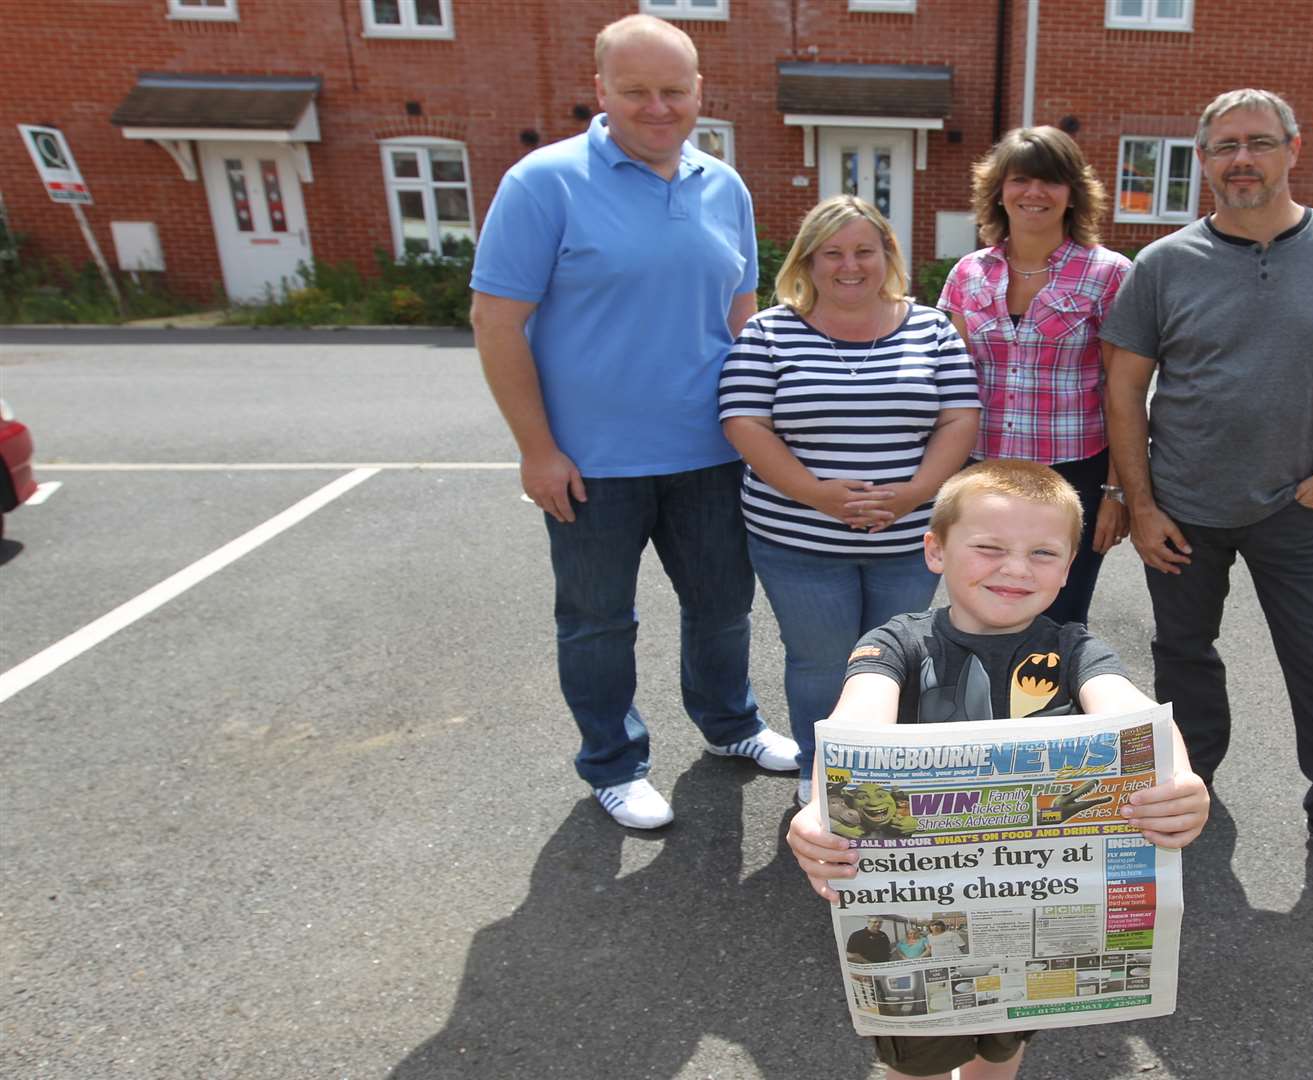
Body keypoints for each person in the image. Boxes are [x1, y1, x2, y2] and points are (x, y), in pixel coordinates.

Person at [469, 14, 799, 831]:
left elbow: (741, 316)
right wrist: (537, 450)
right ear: (600, 92)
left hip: (711, 454)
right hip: (591, 462)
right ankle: (614, 764)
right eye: (636, 91)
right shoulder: (543, 182)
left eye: (673, 91)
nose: (658, 107)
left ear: (699, 93)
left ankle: (731, 725)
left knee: (723, 605)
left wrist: (760, 428)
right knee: (598, 622)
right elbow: (495, 321)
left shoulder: (725, 187)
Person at [786, 460, 1211, 1080]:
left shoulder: (1075, 648)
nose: (1016, 569)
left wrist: (1177, 778)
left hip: (1033, 922)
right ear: (935, 550)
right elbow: (855, 724)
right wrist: (821, 810)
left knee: (1006, 1042)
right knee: (920, 1058)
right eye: (989, 547)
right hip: (918, 923)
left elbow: (1133, 714)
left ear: (1068, 570)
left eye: (1043, 553)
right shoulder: (896, 644)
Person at [1102, 88, 1313, 884]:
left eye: (1258, 142)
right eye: (1224, 147)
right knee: (1183, 656)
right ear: (1204, 160)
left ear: (1293, 148)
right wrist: (1139, 505)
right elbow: (1122, 390)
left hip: (1297, 510)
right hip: (1182, 511)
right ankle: (1190, 785)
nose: (1241, 160)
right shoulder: (1165, 264)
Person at [720, 196, 980, 806]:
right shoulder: (769, 331)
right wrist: (819, 495)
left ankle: (882, 772)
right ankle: (823, 773)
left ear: (887, 254)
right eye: (832, 253)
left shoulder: (931, 328)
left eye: (865, 250)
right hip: (798, 541)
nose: (849, 265)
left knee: (898, 658)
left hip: (907, 538)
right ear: (807, 262)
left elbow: (959, 417)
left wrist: (917, 492)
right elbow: (743, 421)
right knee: (819, 660)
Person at [939, 127, 1132, 626]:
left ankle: (1054, 706)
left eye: (1050, 181)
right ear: (999, 190)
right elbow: (950, 384)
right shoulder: (968, 273)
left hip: (1072, 477)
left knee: (1059, 616)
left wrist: (1116, 494)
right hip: (982, 475)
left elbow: (1124, 391)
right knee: (981, 607)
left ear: (1073, 193)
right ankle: (985, 704)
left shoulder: (1107, 274)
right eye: (1020, 179)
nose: (1034, 193)